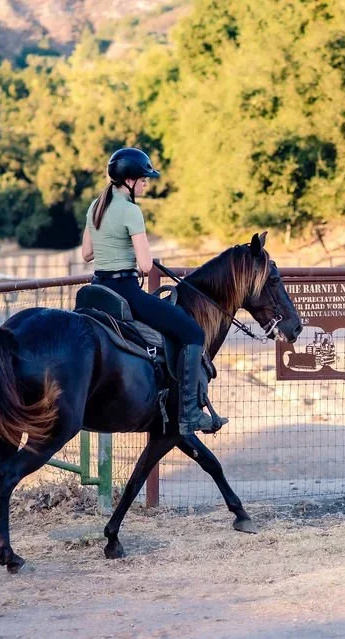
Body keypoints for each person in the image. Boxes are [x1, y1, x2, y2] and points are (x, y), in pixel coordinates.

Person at [80, 147, 226, 434]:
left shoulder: (96, 205)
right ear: (130, 181)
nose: (147, 183)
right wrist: (136, 252)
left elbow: (86, 253)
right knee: (193, 333)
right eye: (144, 178)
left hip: (97, 290)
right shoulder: (131, 211)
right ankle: (190, 413)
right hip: (125, 291)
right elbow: (146, 266)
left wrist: (114, 248)